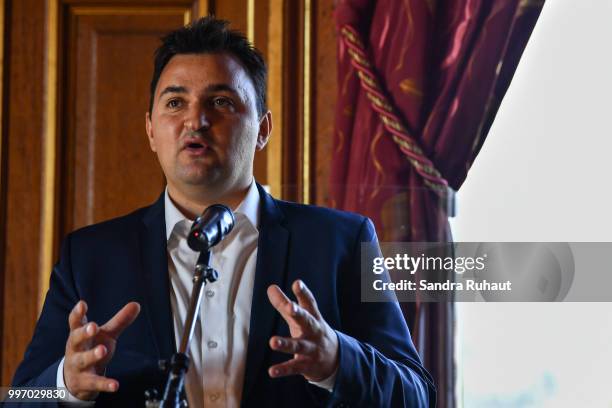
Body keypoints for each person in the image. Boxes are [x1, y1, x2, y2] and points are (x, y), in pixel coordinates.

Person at [11, 17, 435, 407]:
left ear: (263, 129)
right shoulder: (89, 257)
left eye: (221, 102)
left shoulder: (342, 241)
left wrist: (338, 361)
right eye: (175, 103)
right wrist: (67, 381)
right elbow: (20, 398)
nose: (195, 119)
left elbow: (416, 395)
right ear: (150, 130)